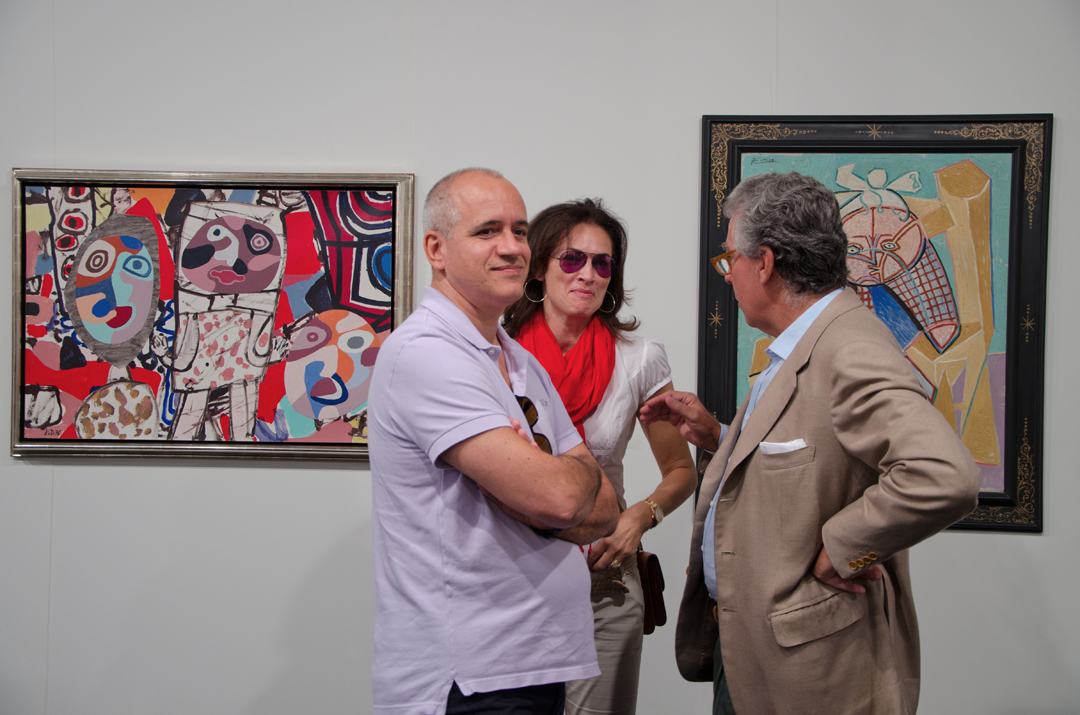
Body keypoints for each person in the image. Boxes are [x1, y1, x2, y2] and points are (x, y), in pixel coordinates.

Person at [639, 172, 981, 715]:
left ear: (765, 263)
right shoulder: (798, 344)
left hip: (808, 670)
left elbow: (946, 476)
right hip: (754, 651)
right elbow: (813, 458)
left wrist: (845, 548)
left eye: (730, 259)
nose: (728, 276)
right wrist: (719, 438)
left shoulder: (848, 348)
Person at [368, 168, 620, 715]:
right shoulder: (428, 353)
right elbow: (558, 499)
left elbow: (604, 509)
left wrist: (540, 482)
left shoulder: (519, 360)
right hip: (468, 677)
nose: (512, 247)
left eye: (520, 231)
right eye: (487, 231)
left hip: (534, 660)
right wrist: (551, 481)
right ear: (436, 249)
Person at [503, 198, 697, 715]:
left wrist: (639, 518)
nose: (587, 274)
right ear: (538, 269)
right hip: (511, 577)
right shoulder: (499, 356)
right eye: (572, 259)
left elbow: (681, 471)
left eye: (602, 263)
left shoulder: (640, 359)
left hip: (604, 577)